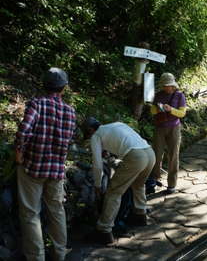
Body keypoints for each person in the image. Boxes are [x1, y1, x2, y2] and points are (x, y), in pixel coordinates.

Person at [15, 67, 76, 261]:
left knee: (31, 212)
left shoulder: (37, 104)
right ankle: (59, 253)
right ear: (63, 88)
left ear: (44, 85)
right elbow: (67, 141)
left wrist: (18, 154)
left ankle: (36, 257)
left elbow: (23, 132)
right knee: (57, 211)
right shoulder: (70, 111)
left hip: (33, 167)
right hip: (56, 170)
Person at [82, 118, 155, 244]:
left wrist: (98, 185)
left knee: (113, 192)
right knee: (138, 184)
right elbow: (125, 143)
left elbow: (98, 165)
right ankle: (140, 215)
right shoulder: (117, 124)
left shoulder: (96, 135)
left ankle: (103, 230)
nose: (89, 138)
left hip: (136, 157)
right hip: (149, 152)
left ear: (90, 130)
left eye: (88, 135)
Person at [147, 73, 186, 195]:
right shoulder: (158, 95)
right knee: (156, 155)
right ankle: (155, 179)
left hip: (174, 128)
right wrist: (158, 108)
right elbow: (152, 111)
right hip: (159, 128)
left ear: (173, 85)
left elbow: (182, 113)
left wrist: (171, 110)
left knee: (173, 155)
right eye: (164, 85)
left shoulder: (180, 96)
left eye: (168, 85)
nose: (166, 87)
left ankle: (171, 184)